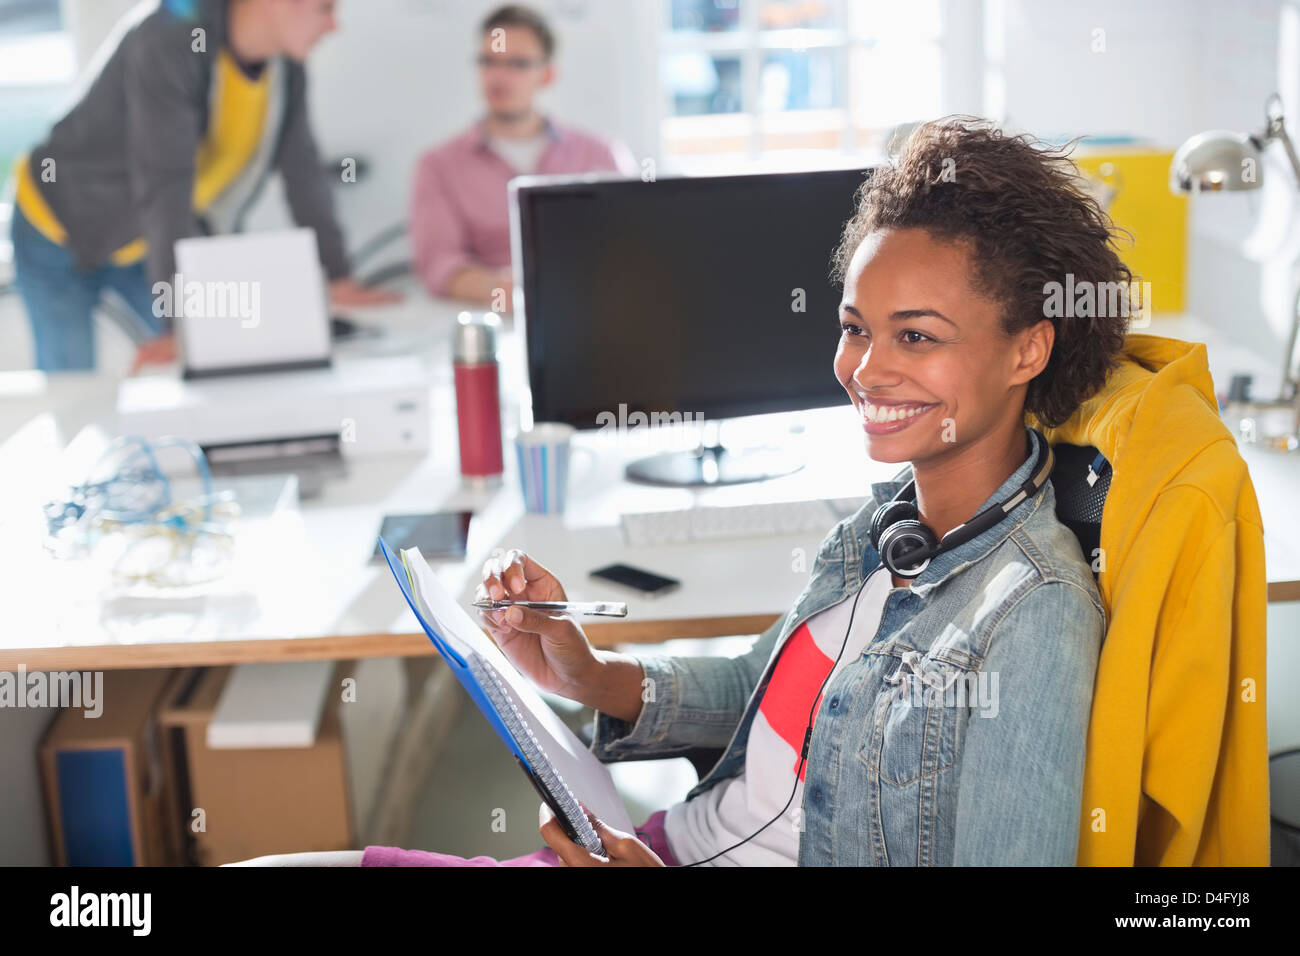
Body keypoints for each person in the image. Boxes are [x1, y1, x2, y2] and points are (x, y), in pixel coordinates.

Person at [238, 117, 1122, 867]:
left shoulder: (1032, 614)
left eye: (917, 337)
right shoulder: (887, 524)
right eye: (856, 328)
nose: (866, 368)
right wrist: (589, 673)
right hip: (659, 842)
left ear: (1027, 350)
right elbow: (758, 689)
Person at [9, 0, 397, 373]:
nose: (335, 25)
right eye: (325, 8)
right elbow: (165, 183)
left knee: (214, 350)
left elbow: (303, 170)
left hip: (145, 239)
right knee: (71, 380)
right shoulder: (173, 35)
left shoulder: (284, 69)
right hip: (56, 227)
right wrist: (179, 325)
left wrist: (336, 275)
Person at [409, 4, 635, 310]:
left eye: (517, 64)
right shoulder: (438, 166)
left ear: (547, 74)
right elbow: (439, 265)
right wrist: (506, 290)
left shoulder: (600, 155)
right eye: (489, 62)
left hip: (593, 310)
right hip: (496, 317)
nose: (498, 77)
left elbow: (633, 245)